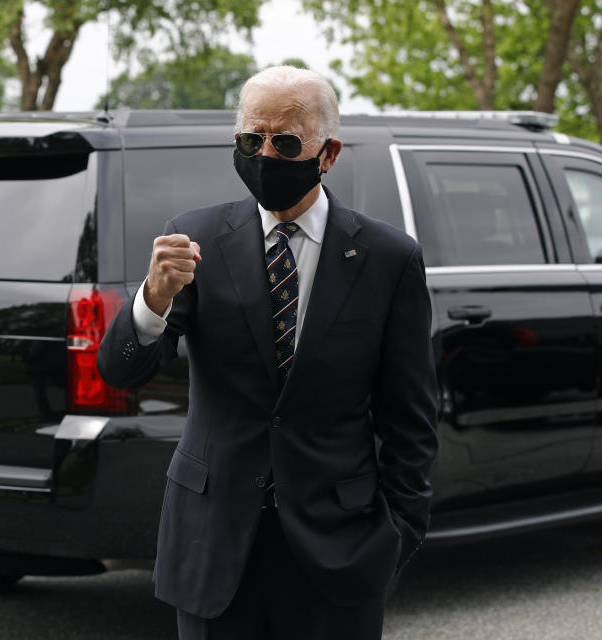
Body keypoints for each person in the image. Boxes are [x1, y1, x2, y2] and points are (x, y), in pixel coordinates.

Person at [97, 65, 438, 639]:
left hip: (339, 551)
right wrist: (152, 299)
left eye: (285, 142)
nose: (265, 156)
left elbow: (411, 417)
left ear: (327, 154)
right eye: (250, 140)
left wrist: (397, 535)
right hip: (214, 544)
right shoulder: (195, 239)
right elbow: (121, 372)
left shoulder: (387, 257)